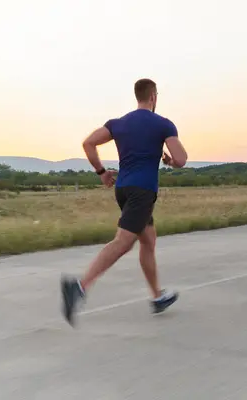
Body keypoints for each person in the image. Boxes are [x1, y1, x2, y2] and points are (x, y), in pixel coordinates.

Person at [60, 78, 188, 326]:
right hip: (143, 191)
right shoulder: (163, 124)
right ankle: (80, 286)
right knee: (123, 242)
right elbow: (181, 159)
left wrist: (101, 172)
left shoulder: (118, 123)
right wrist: (170, 162)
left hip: (123, 189)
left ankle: (157, 297)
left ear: (137, 96)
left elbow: (88, 143)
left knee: (148, 240)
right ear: (154, 97)